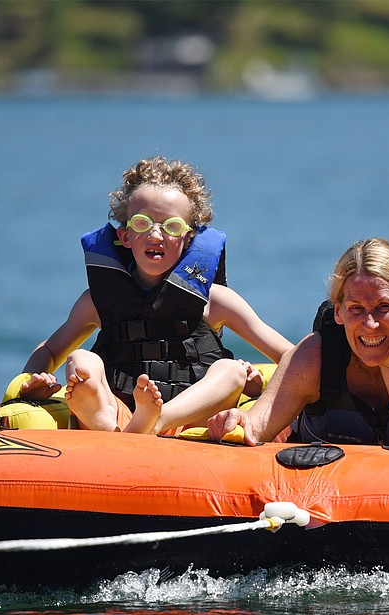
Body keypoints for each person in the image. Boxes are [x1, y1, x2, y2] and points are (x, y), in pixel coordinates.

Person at [18, 157, 292, 434]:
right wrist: (31, 381)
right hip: (122, 416)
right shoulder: (98, 302)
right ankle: (106, 421)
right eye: (141, 223)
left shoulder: (214, 300)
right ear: (125, 236)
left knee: (231, 371)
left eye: (171, 226)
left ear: (188, 239)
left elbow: (290, 355)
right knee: (80, 359)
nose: (155, 234)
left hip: (190, 421)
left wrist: (261, 390)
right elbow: (52, 350)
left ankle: (156, 420)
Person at [207, 237, 389, 447]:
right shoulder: (315, 355)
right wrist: (236, 422)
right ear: (338, 312)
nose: (370, 324)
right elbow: (256, 426)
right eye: (356, 308)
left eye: (383, 306)